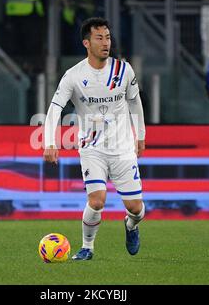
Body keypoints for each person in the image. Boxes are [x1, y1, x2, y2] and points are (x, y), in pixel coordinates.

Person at [43, 17, 146, 260]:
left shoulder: (123, 70)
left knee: (136, 209)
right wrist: (49, 141)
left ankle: (131, 225)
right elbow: (55, 107)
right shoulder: (73, 75)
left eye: (108, 37)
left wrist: (140, 134)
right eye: (99, 38)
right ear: (86, 43)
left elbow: (135, 101)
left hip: (122, 149)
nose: (105, 43)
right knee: (97, 201)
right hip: (92, 149)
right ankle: (87, 248)